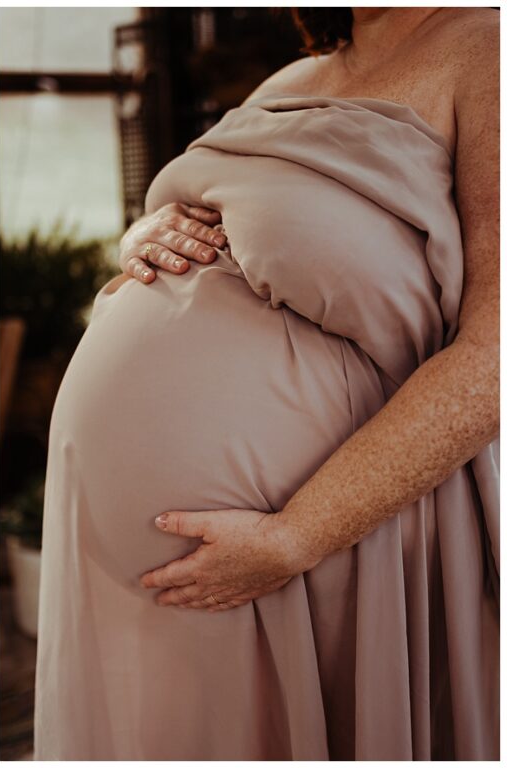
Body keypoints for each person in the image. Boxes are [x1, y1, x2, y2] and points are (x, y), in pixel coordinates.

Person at [35, 7, 498, 760]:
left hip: (303, 547)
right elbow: (221, 228)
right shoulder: (291, 79)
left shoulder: (485, 49)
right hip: (129, 565)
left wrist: (297, 534)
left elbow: (496, 356)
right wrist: (140, 237)